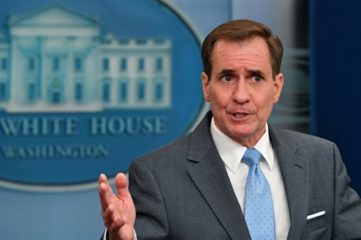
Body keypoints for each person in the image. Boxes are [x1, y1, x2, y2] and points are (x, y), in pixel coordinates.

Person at [98, 19, 361, 240]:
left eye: (256, 78)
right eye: (227, 77)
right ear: (206, 86)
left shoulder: (322, 159)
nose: (241, 95)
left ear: (277, 87)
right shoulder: (156, 174)